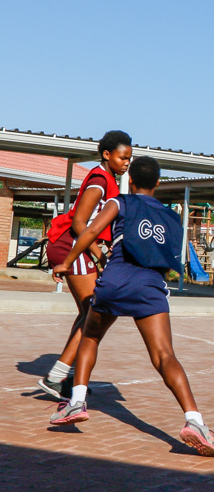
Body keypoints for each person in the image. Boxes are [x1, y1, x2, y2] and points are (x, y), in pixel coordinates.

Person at [48, 156, 214, 457]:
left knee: (90, 335)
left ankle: (76, 402)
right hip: (150, 286)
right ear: (158, 183)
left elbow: (89, 232)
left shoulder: (120, 202)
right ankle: (195, 421)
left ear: (131, 181)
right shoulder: (172, 217)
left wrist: (67, 262)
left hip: (115, 281)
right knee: (165, 355)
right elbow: (169, 259)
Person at [38, 131, 132, 400]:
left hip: (78, 247)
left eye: (129, 158)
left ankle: (68, 376)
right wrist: (99, 256)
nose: (126, 162)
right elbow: (80, 224)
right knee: (94, 312)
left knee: (88, 314)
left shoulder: (109, 180)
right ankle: (56, 376)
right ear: (106, 155)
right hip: (71, 245)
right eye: (122, 157)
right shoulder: (100, 180)